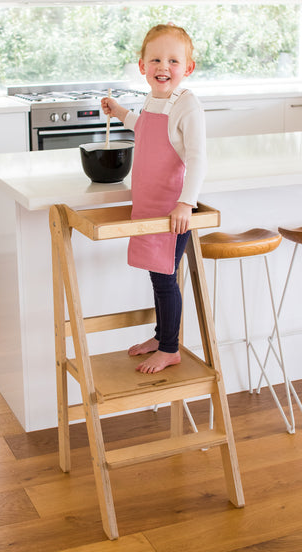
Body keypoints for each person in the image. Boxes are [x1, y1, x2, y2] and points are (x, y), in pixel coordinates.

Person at [101, 23, 206, 374]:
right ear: (142, 65)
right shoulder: (153, 98)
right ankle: (161, 336)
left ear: (187, 68)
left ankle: (170, 348)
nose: (164, 67)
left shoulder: (186, 104)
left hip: (171, 210)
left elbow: (198, 158)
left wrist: (185, 203)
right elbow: (143, 128)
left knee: (165, 277)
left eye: (173, 60)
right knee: (156, 274)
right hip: (148, 206)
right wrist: (118, 112)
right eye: (156, 59)